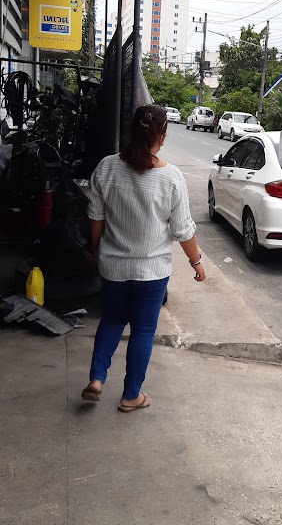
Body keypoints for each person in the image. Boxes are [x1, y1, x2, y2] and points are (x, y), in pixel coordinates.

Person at [81, 105, 205, 412]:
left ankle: (96, 379)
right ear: (162, 135)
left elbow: (95, 218)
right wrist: (196, 262)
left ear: (132, 131)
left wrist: (96, 253)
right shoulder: (171, 177)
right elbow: (183, 230)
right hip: (152, 272)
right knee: (143, 331)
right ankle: (130, 396)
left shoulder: (106, 168)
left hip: (113, 266)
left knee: (112, 320)